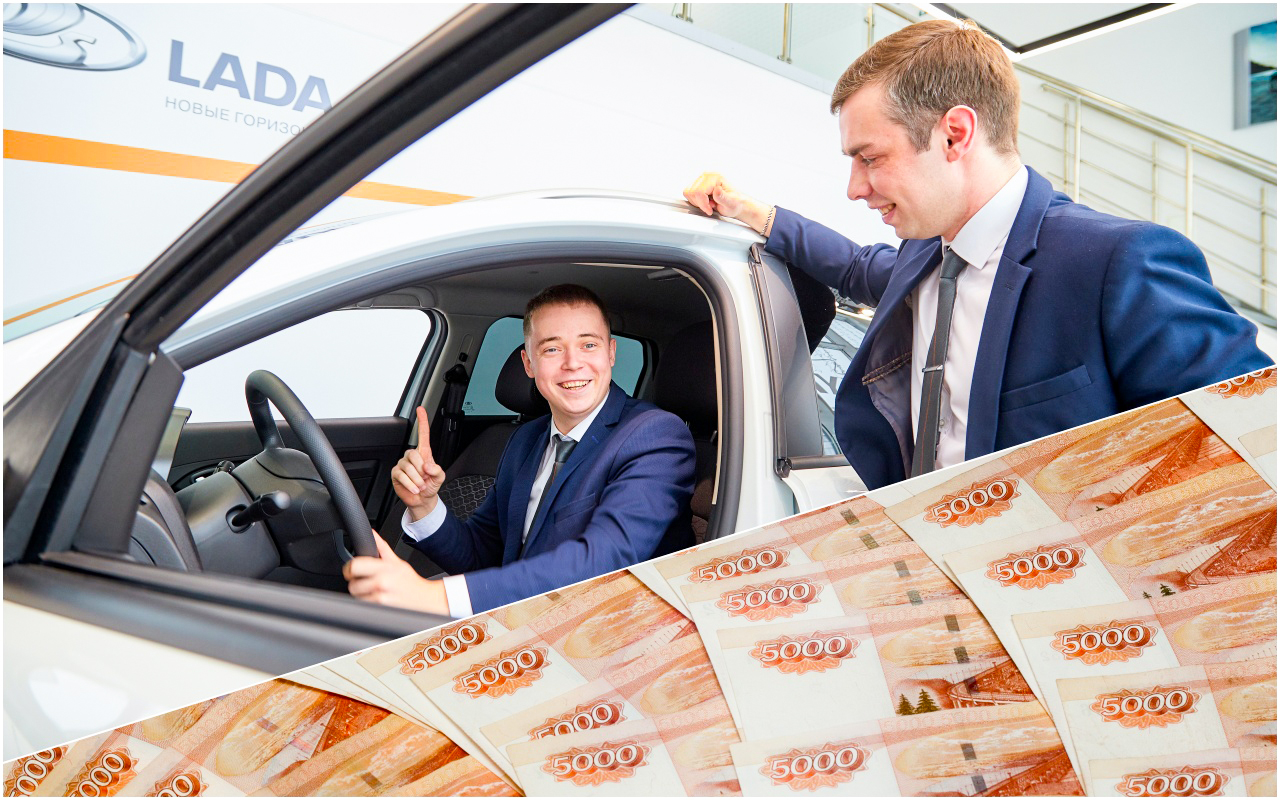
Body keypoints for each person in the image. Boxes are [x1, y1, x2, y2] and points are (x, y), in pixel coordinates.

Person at [685, 19, 1271, 490]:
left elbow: (1249, 444)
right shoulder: (925, 258)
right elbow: (857, 267)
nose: (855, 188)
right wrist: (752, 213)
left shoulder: (1116, 262)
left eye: (870, 158)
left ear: (955, 134)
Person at [344, 284, 697, 615]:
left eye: (589, 345)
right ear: (529, 364)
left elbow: (605, 561)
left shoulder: (655, 436)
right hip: (523, 620)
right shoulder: (525, 440)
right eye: (552, 349)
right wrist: (425, 506)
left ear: (611, 353)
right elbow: (484, 555)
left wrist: (434, 596)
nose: (573, 363)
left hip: (610, 630)